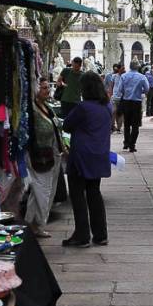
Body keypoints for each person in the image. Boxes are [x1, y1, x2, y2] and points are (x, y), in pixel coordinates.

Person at [61, 72, 112, 247]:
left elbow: (66, 125)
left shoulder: (83, 107)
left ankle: (82, 235)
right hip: (99, 154)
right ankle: (100, 234)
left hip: (81, 156)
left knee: (77, 195)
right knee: (94, 193)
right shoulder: (107, 106)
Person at [25, 79, 65, 239]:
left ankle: (31, 222)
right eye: (43, 88)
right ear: (36, 90)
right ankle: (39, 224)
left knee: (40, 191)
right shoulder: (33, 110)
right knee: (43, 190)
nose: (47, 90)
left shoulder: (46, 107)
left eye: (48, 87)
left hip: (52, 153)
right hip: (39, 156)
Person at [113, 61, 149, 152]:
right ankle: (132, 145)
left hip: (126, 102)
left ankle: (126, 143)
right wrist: (140, 91)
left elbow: (120, 89)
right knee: (135, 125)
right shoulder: (142, 77)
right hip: (136, 102)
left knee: (127, 124)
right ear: (137, 67)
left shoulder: (124, 76)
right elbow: (147, 89)